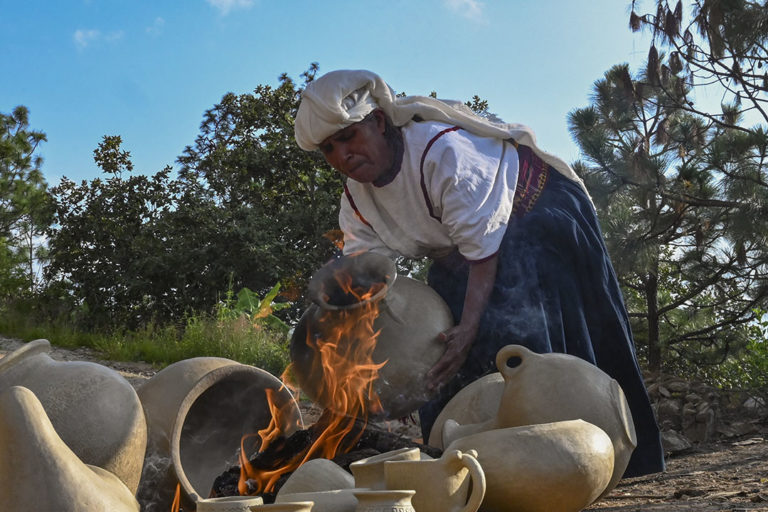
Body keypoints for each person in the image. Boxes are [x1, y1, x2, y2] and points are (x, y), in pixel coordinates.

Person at [294, 69, 665, 477]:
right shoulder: (356, 201)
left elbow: (484, 249)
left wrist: (468, 330)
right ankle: (465, 472)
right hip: (466, 250)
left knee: (523, 339)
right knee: (438, 352)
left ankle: (580, 460)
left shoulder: (441, 151)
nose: (342, 155)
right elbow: (366, 281)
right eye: (328, 149)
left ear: (379, 122)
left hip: (538, 214)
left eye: (349, 137)